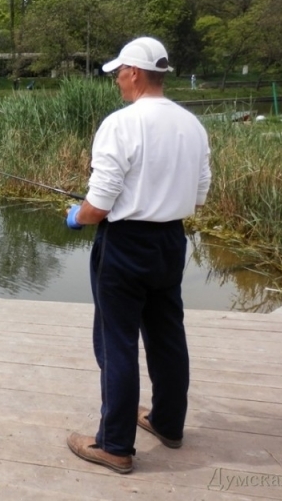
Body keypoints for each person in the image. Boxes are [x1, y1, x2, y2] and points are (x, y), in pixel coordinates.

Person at [64, 37, 211, 474]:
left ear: (132, 72)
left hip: (124, 245)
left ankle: (114, 446)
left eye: (118, 74)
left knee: (117, 343)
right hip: (171, 242)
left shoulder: (121, 124)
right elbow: (199, 194)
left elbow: (99, 206)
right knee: (167, 336)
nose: (116, 81)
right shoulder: (192, 125)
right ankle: (168, 423)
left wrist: (75, 217)